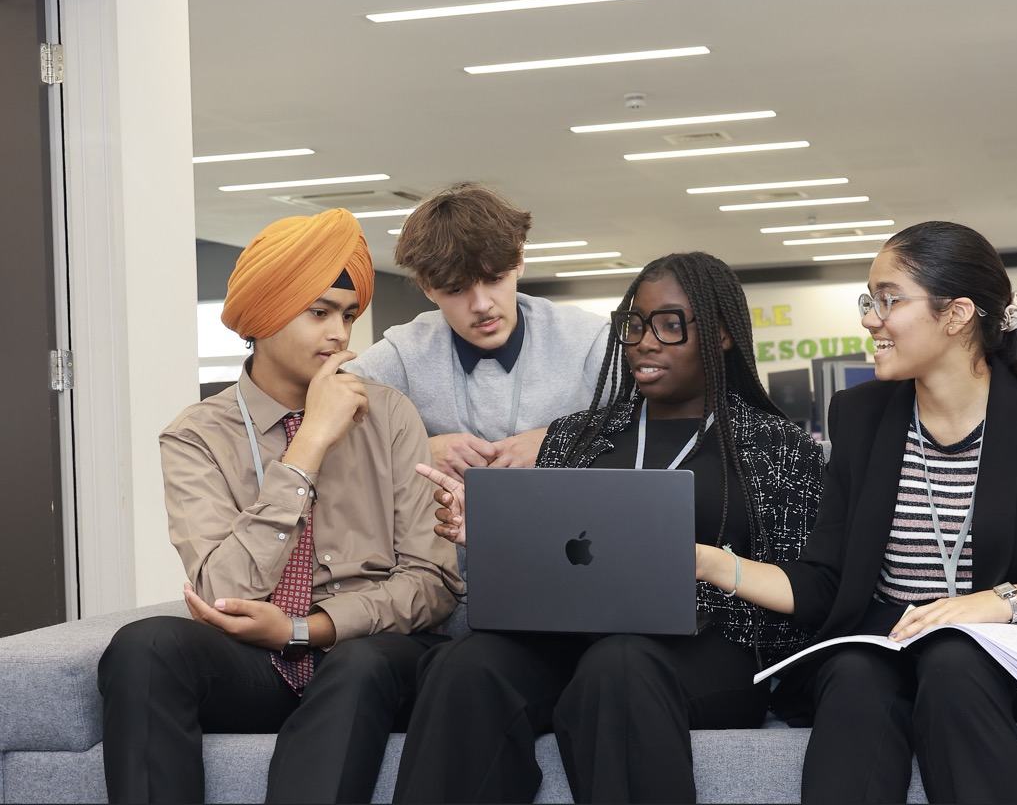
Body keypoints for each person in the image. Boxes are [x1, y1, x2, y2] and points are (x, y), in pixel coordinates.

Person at [694, 221, 1017, 803]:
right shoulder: (860, 415)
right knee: (854, 676)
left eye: (889, 299)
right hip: (887, 642)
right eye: (868, 301)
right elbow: (825, 583)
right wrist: (711, 564)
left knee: (952, 660)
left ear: (957, 314)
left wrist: (1000, 603)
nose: (870, 319)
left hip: (1006, 650)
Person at [392, 251, 825, 803]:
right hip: (571, 638)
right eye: (635, 325)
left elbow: (806, 590)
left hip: (713, 648)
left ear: (720, 334)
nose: (645, 342)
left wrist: (709, 570)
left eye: (669, 325)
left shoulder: (776, 446)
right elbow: (556, 559)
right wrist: (495, 536)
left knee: (617, 665)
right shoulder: (577, 436)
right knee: (467, 665)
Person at [97, 209, 463, 804]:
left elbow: (433, 583)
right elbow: (221, 588)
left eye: (348, 315)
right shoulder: (196, 436)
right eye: (319, 313)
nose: (340, 334)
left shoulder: (390, 415)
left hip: (375, 656)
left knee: (357, 665)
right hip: (256, 662)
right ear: (265, 315)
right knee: (146, 647)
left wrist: (305, 630)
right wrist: (308, 445)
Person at [346, 182, 610, 480]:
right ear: (427, 288)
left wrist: (560, 439)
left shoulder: (589, 340)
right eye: (456, 290)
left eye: (494, 279)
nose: (482, 305)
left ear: (519, 260)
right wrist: (419, 449)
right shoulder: (403, 354)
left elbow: (646, 422)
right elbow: (319, 423)